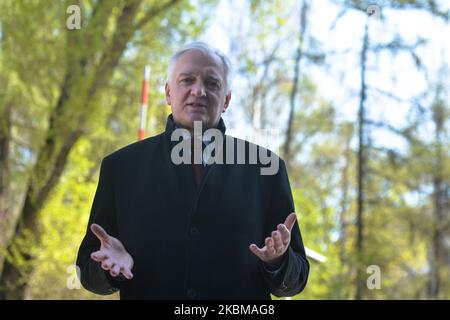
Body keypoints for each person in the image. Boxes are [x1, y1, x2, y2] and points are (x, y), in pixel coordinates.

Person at [76, 41, 309, 299]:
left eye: (212, 83)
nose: (198, 91)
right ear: (167, 93)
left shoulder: (267, 169)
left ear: (226, 100)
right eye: (187, 80)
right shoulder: (120, 168)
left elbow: (296, 279)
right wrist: (110, 269)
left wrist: (278, 262)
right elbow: (87, 271)